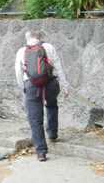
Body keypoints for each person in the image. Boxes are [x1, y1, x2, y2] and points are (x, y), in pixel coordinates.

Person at [15, 31, 69, 162]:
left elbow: (18, 72)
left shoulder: (21, 51)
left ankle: (41, 152)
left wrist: (23, 87)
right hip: (50, 84)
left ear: (27, 39)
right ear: (40, 38)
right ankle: (52, 133)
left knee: (35, 119)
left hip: (31, 86)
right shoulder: (49, 47)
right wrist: (65, 85)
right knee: (51, 105)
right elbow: (59, 67)